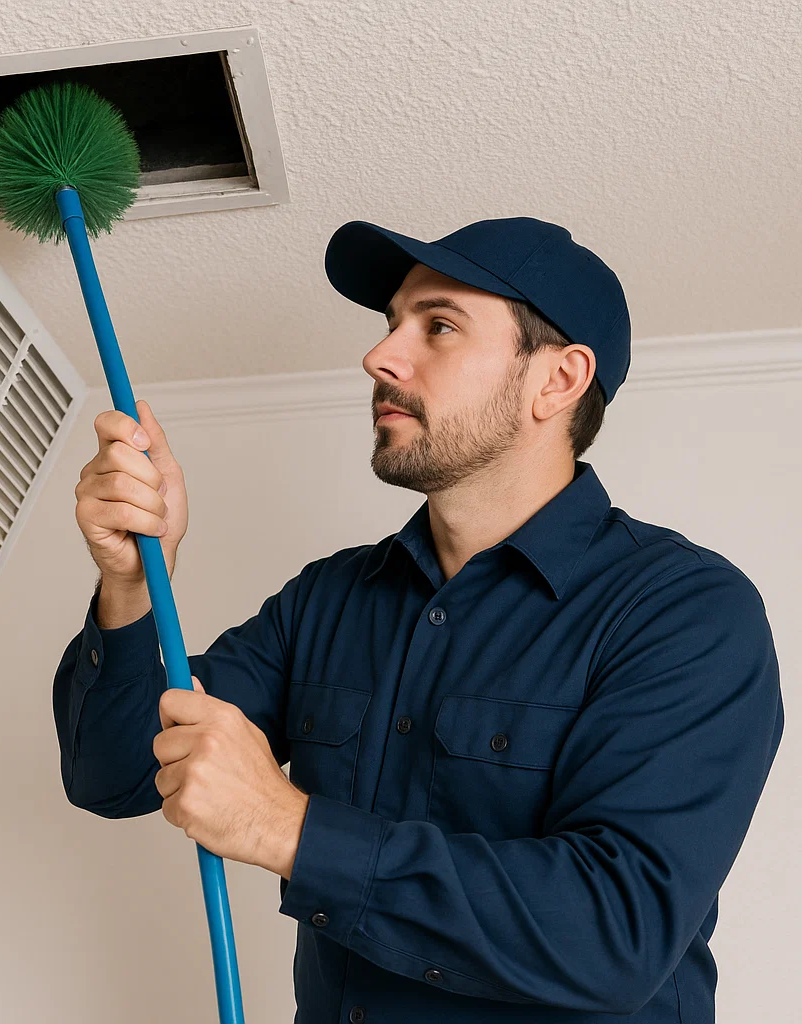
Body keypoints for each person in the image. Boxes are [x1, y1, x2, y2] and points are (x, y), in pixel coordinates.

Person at [53, 216, 784, 1023]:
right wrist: (129, 583)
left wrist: (289, 828)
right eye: (391, 323)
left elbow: (616, 932)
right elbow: (115, 773)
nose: (380, 356)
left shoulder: (684, 613)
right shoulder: (327, 601)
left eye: (437, 325)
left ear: (559, 380)